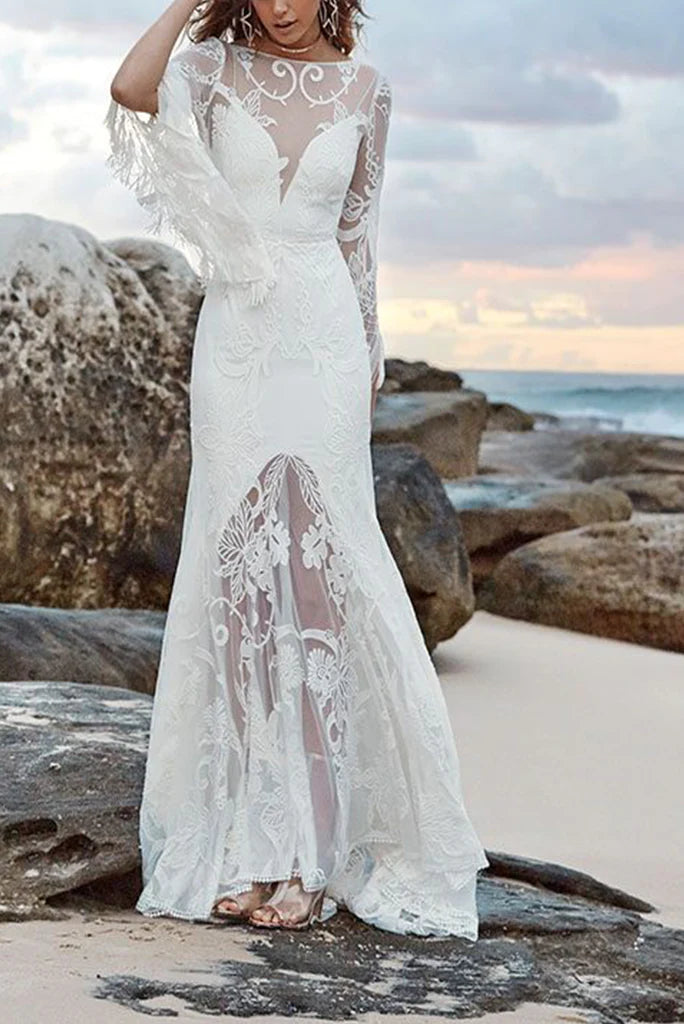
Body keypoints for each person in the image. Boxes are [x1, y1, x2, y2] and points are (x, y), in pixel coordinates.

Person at [105, 0, 489, 935]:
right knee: (239, 595)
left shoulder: (367, 88)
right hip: (237, 337)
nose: (278, 4)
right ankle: (250, 842)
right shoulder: (209, 69)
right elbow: (129, 90)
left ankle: (313, 857)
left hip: (320, 338)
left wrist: (367, 358)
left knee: (319, 585)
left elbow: (358, 238)